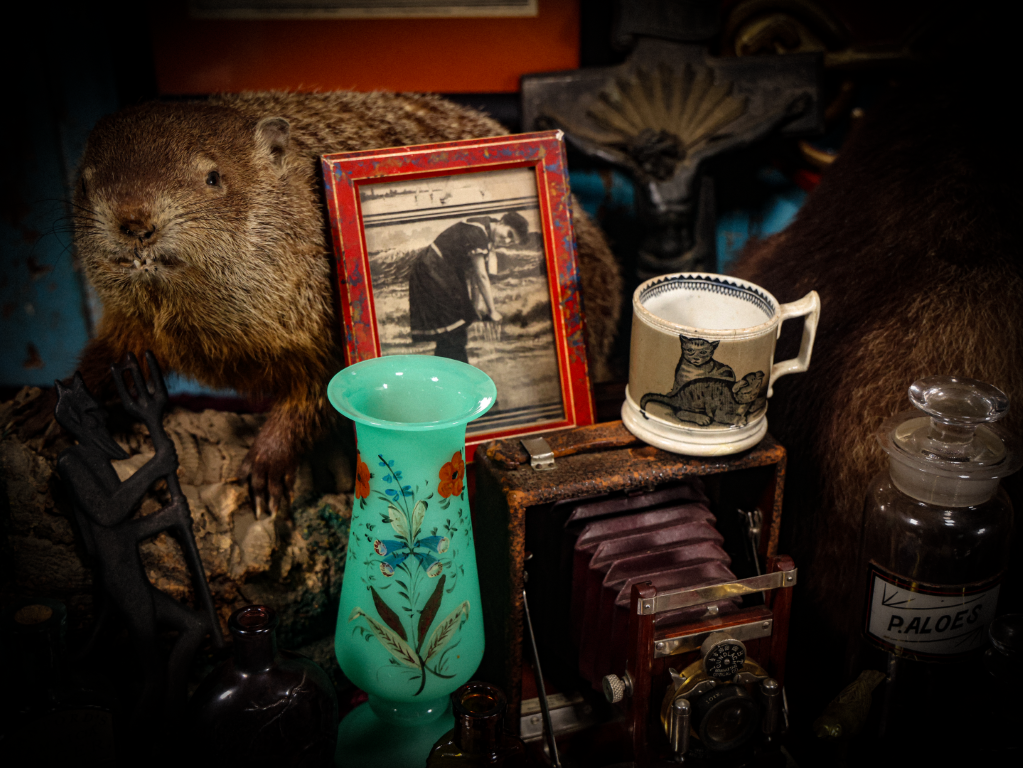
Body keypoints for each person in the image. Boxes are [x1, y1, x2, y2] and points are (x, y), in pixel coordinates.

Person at [409, 211, 529, 362]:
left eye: (511, 242)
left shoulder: (486, 232)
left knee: (457, 327)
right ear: (502, 222)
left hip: (445, 271)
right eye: (509, 234)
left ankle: (448, 369)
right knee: (454, 328)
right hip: (431, 270)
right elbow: (481, 276)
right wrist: (492, 311)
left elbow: (473, 276)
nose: (507, 241)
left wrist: (475, 307)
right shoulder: (477, 233)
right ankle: (456, 370)